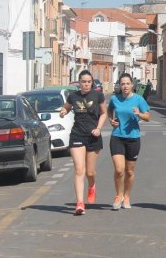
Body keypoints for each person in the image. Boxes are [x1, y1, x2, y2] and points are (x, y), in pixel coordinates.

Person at [60, 70, 107, 215]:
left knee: (90, 172)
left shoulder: (98, 95)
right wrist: (63, 111)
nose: (86, 84)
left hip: (93, 136)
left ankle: (91, 185)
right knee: (79, 169)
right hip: (77, 134)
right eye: (83, 81)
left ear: (91, 82)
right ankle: (80, 203)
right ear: (79, 82)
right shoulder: (73, 96)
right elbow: (66, 108)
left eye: (88, 81)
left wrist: (98, 128)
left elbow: (104, 113)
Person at [107, 73, 151, 210]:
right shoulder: (115, 99)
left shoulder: (139, 100)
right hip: (117, 137)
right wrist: (111, 120)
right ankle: (118, 195)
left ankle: (126, 196)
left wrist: (140, 114)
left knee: (129, 171)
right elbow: (109, 111)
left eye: (127, 83)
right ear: (119, 86)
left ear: (132, 85)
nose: (125, 86)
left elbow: (148, 117)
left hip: (133, 138)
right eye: (122, 84)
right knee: (119, 170)